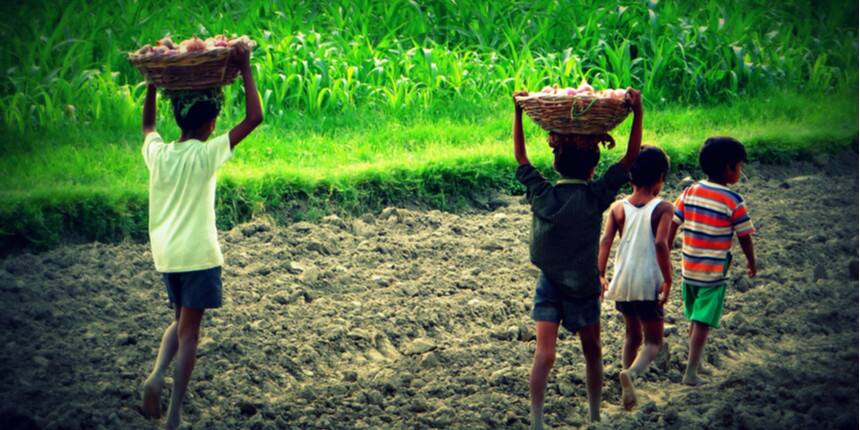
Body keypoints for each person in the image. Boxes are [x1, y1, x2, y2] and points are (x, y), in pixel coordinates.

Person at [139, 42, 263, 430]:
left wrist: (154, 82)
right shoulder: (207, 154)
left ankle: (157, 375)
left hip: (167, 255)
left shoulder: (158, 153)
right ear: (209, 125)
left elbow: (147, 127)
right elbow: (255, 117)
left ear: (179, 120)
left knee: (180, 321)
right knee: (191, 332)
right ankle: (174, 414)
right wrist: (245, 68)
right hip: (198, 255)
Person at [513, 88, 642, 427]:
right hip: (584, 287)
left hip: (549, 284)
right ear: (594, 166)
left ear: (555, 162)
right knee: (593, 351)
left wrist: (518, 112)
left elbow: (522, 159)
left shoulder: (543, 195)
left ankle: (537, 421)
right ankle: (596, 415)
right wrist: (638, 112)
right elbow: (629, 159)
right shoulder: (596, 195)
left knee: (545, 354)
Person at [668, 137, 756, 386]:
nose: (740, 171)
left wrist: (665, 247)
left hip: (689, 268)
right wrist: (751, 262)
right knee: (702, 322)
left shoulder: (690, 191)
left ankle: (695, 363)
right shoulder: (733, 200)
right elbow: (745, 236)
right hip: (712, 272)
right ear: (729, 168)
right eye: (740, 166)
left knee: (696, 319)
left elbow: (674, 222)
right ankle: (691, 372)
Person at [598, 146, 673, 410]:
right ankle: (631, 374)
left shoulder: (618, 207)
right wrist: (669, 278)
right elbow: (662, 244)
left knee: (632, 335)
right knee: (653, 341)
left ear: (630, 177)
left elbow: (606, 241)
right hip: (647, 280)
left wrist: (600, 273)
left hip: (623, 280)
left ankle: (624, 390)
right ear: (660, 178)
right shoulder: (663, 208)